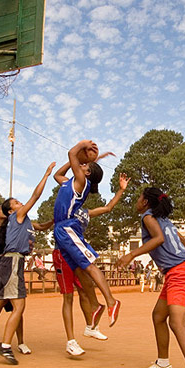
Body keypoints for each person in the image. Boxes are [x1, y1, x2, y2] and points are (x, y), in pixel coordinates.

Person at [117, 187, 185, 368]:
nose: (137, 200)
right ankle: (162, 364)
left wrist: (131, 255)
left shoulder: (147, 217)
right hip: (178, 271)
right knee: (158, 316)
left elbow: (158, 239)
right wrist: (176, 256)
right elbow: (182, 241)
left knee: (176, 322)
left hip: (179, 273)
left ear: (146, 202)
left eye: (139, 197)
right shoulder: (165, 220)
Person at [0, 162, 55, 365]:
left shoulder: (27, 221)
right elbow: (36, 196)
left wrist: (57, 217)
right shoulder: (18, 216)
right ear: (11, 211)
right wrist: (46, 175)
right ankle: (5, 346)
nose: (21, 203)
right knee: (19, 305)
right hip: (12, 261)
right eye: (16, 202)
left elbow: (43, 225)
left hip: (11, 262)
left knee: (2, 299)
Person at [53, 163, 129, 355]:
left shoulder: (84, 212)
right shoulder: (71, 192)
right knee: (72, 293)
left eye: (85, 165)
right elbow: (58, 175)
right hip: (64, 248)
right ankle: (91, 321)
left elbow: (108, 207)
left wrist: (121, 190)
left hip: (72, 242)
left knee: (86, 285)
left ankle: (95, 319)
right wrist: (78, 162)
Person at [52, 140, 120, 328]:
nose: (81, 165)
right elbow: (58, 174)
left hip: (67, 228)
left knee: (89, 265)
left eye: (84, 166)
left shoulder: (81, 182)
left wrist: (83, 144)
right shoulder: (69, 183)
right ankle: (96, 305)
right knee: (80, 270)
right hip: (60, 230)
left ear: (86, 173)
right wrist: (86, 159)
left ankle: (111, 301)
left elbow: (72, 154)